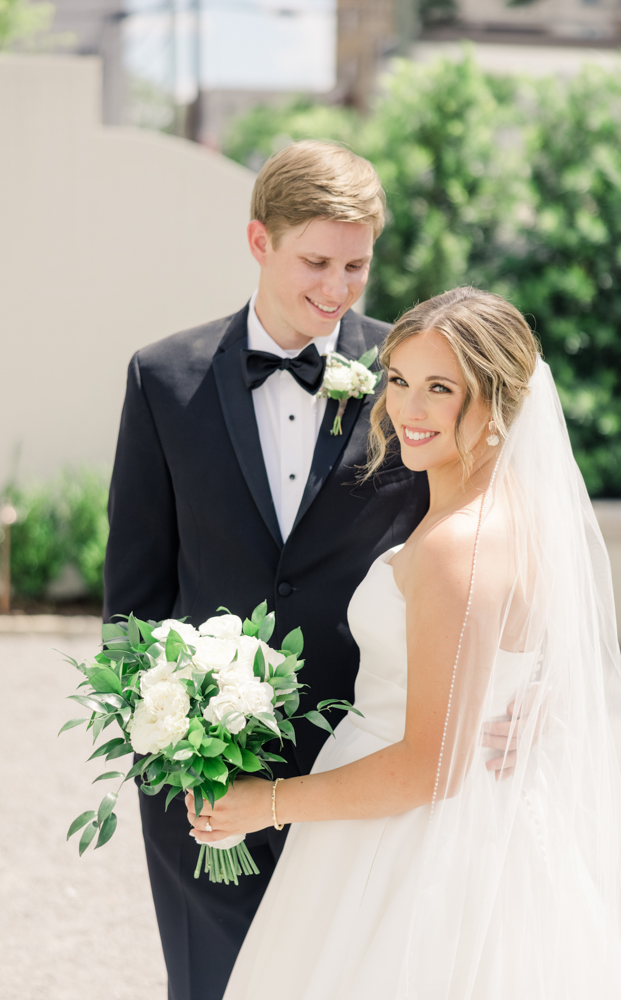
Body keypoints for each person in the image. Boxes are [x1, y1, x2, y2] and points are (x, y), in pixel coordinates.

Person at [188, 287, 621, 999]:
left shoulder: (458, 548)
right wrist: (536, 697)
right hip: (473, 825)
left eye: (438, 389)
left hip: (410, 844)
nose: (407, 410)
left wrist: (264, 803)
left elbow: (432, 769)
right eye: (398, 382)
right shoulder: (509, 516)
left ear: (497, 402)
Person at [103, 140, 433, 1000]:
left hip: (363, 764)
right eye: (315, 261)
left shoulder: (411, 379)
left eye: (355, 266)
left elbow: (457, 551)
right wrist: (164, 756)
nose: (336, 288)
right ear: (259, 241)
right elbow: (132, 597)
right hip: (204, 773)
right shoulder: (161, 379)